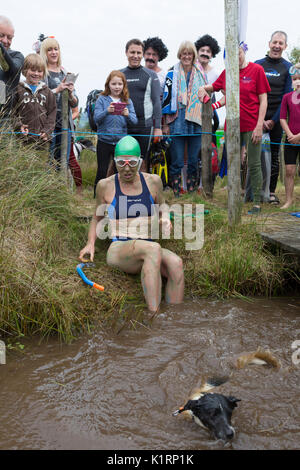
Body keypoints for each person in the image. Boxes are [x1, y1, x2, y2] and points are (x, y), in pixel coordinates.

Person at [79, 135, 184, 313]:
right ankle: (155, 317)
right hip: (119, 249)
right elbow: (96, 217)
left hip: (148, 246)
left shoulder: (153, 181)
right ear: (115, 162)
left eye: (132, 163)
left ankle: (175, 318)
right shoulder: (105, 185)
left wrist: (165, 217)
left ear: (140, 161)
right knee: (153, 249)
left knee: (176, 263)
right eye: (121, 163)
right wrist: (90, 243)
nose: (127, 169)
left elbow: (163, 206)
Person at [199, 42, 271, 214]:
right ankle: (234, 197)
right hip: (231, 127)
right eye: (230, 55)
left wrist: (260, 125)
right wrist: (202, 88)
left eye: (238, 53)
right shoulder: (227, 73)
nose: (235, 57)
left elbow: (264, 100)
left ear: (243, 52)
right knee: (232, 163)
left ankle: (256, 203)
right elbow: (212, 87)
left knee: (253, 164)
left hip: (252, 126)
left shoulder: (257, 70)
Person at [162, 41, 206, 196]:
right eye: (184, 53)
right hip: (177, 120)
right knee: (177, 160)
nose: (187, 56)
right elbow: (165, 100)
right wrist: (165, 124)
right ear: (180, 55)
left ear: (193, 55)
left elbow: (208, 97)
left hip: (195, 121)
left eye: (189, 53)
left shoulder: (201, 73)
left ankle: (192, 192)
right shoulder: (171, 73)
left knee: (194, 160)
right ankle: (176, 193)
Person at [255, 31, 293, 205]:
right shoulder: (258, 65)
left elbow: (288, 95)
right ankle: (252, 191)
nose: (277, 46)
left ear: (285, 46)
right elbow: (252, 94)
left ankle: (270, 192)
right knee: (253, 154)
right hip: (257, 117)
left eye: (281, 43)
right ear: (269, 43)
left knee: (275, 155)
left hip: (278, 119)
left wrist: (273, 120)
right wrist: (260, 119)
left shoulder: (288, 67)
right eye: (275, 42)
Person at [120, 39, 162, 172]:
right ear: (126, 53)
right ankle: (124, 190)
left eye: (139, 53)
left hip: (145, 125)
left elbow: (156, 102)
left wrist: (158, 128)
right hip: (124, 125)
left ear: (142, 54)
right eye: (132, 52)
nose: (135, 56)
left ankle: (143, 191)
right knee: (123, 159)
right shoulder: (119, 74)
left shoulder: (150, 75)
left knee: (143, 161)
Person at [94, 70, 137, 195]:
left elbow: (134, 121)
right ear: (108, 85)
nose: (117, 87)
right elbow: (96, 119)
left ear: (123, 85)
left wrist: (127, 115)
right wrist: (107, 111)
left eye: (119, 84)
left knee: (121, 171)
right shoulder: (102, 99)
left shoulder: (127, 101)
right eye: (114, 84)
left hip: (121, 143)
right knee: (102, 170)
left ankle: (120, 194)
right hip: (104, 141)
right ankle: (97, 195)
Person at [39, 37, 78, 170]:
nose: (54, 52)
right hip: (47, 123)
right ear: (44, 53)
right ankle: (46, 190)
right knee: (48, 163)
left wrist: (71, 93)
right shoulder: (42, 72)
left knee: (63, 163)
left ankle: (60, 189)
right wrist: (58, 90)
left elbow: (74, 103)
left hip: (64, 123)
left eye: (56, 49)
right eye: (49, 50)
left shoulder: (65, 73)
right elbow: (39, 96)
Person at [13, 53, 56, 146]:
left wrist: (47, 131)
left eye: (40, 71)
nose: (36, 73)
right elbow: (12, 112)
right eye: (33, 70)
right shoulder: (17, 89)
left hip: (42, 141)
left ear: (43, 73)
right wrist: (19, 125)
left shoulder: (48, 92)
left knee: (42, 161)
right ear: (25, 70)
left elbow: (52, 114)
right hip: (21, 141)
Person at [279, 63, 300, 209]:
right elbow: (282, 118)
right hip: (290, 139)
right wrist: (290, 135)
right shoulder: (286, 97)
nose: (297, 81)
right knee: (289, 170)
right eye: (294, 78)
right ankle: (288, 200)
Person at [0, 15, 24, 121]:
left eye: (9, 38)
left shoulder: (17, 56)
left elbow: (12, 69)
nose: (5, 41)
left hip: (5, 120)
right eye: (1, 35)